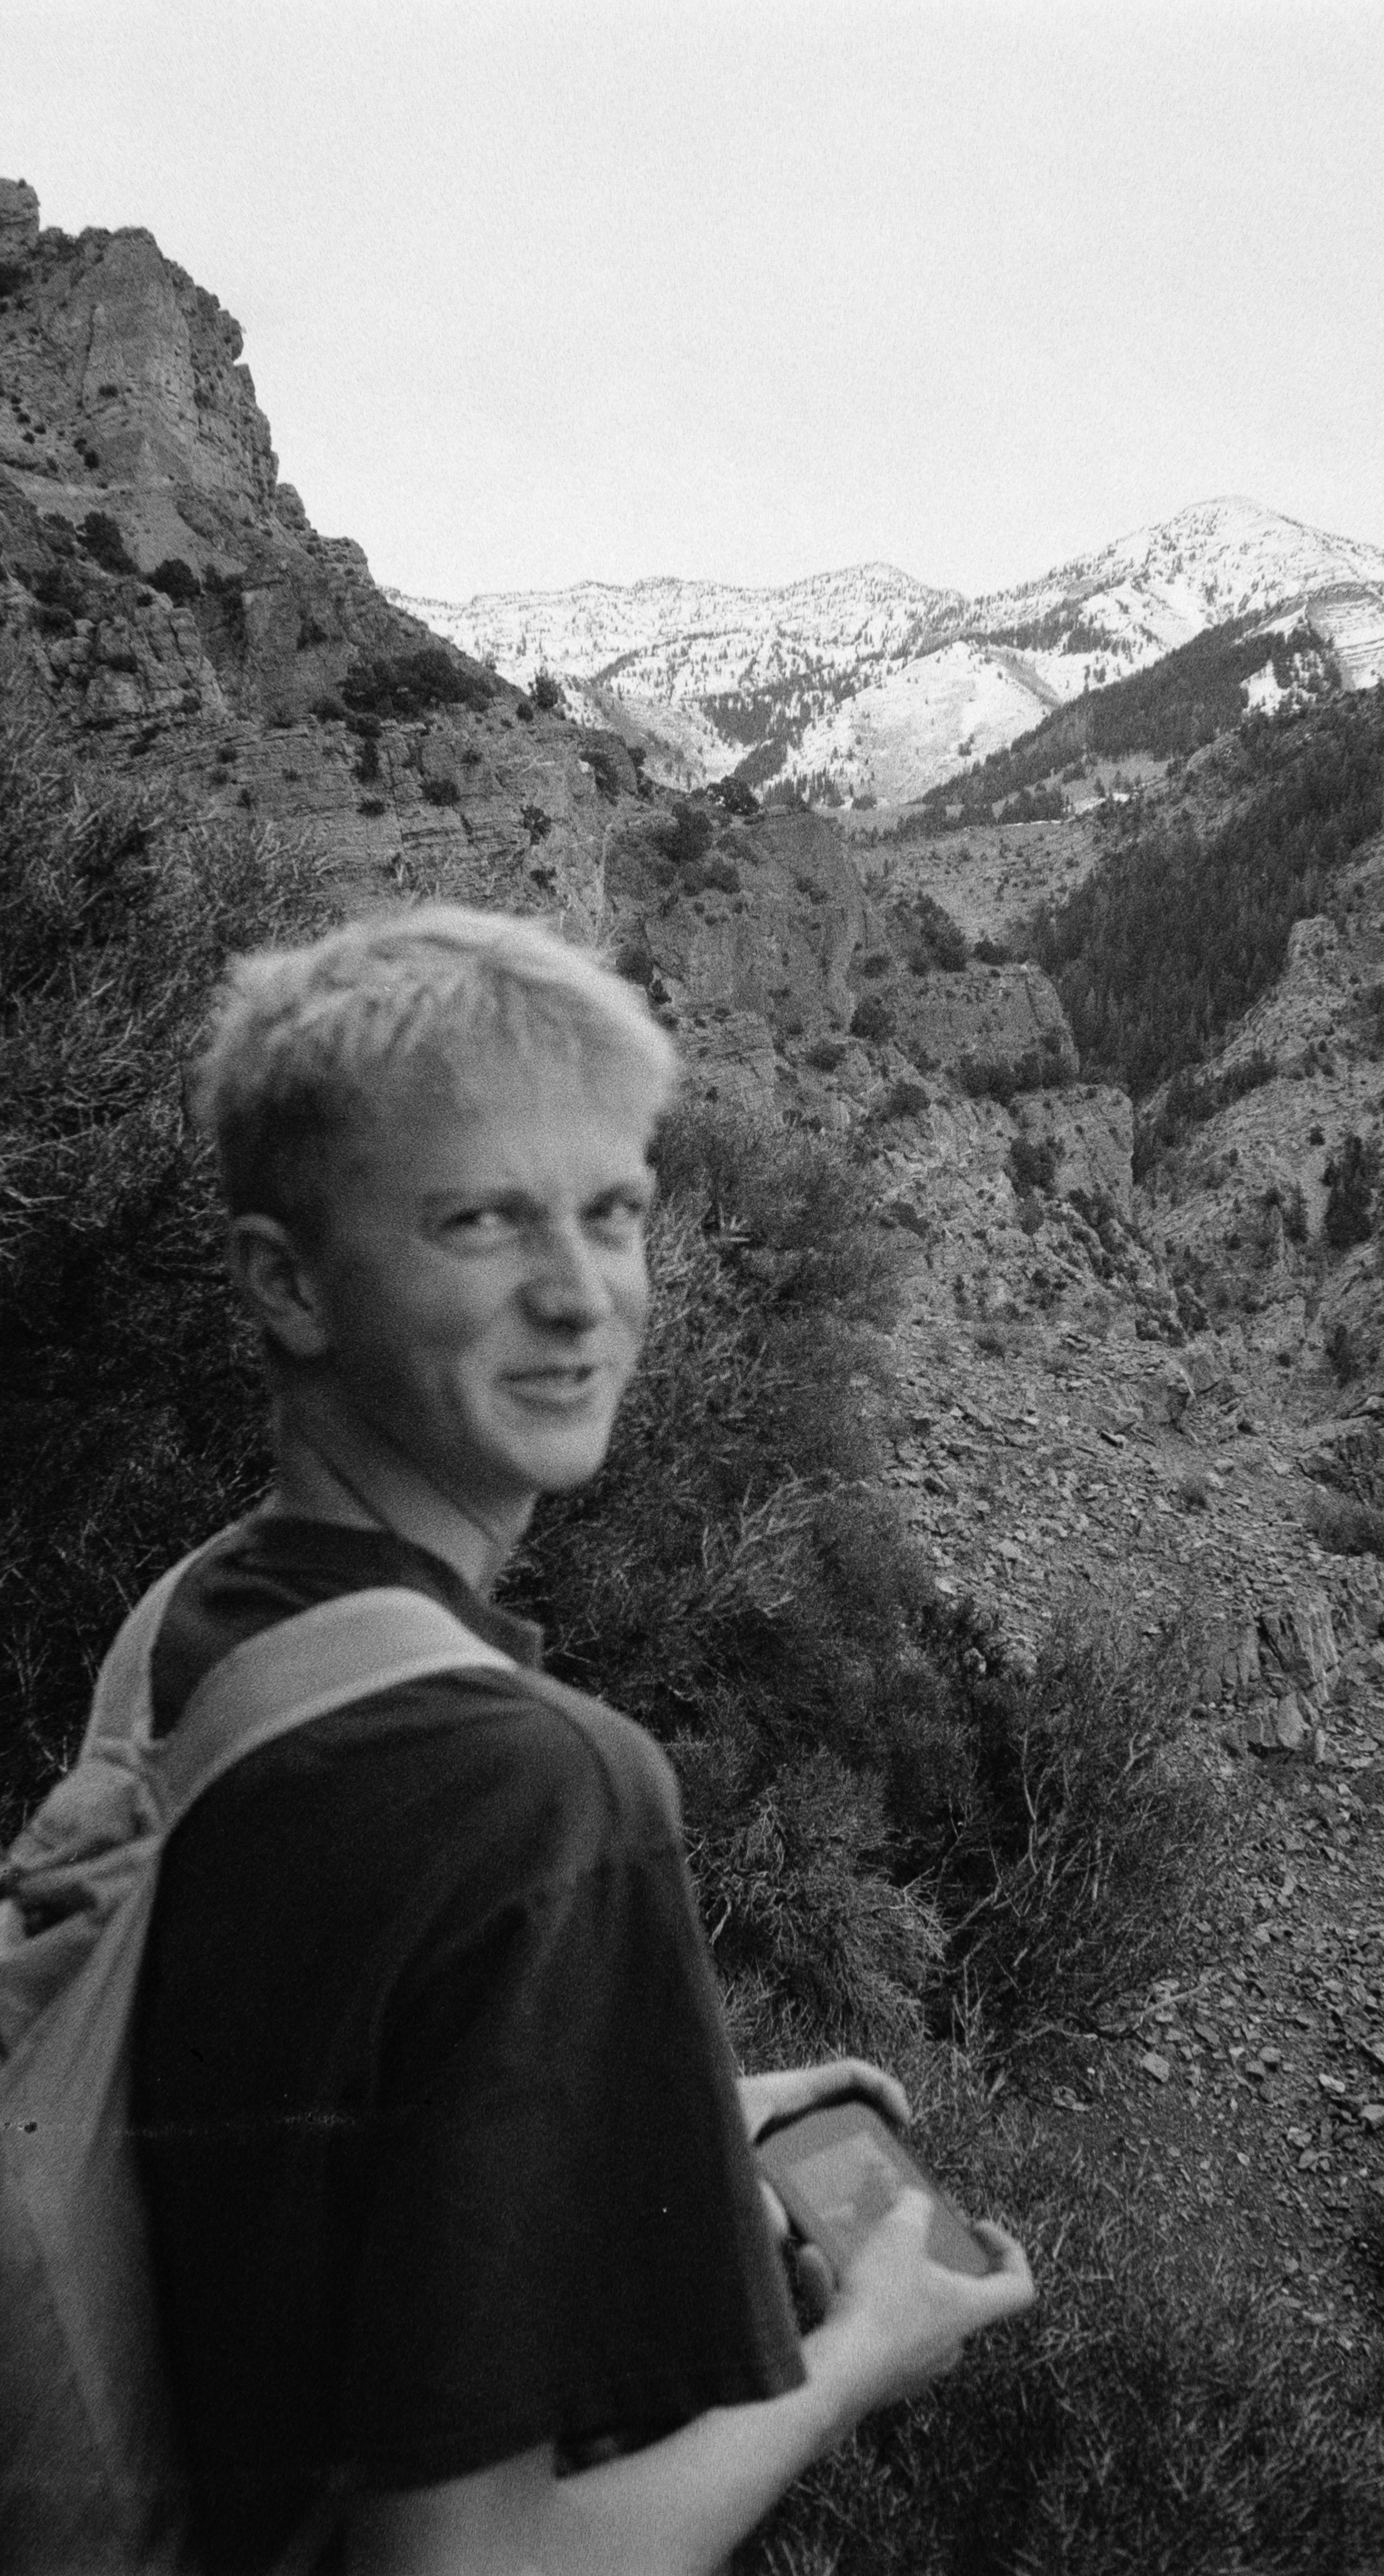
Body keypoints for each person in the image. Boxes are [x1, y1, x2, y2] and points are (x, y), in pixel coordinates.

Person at [130, 903, 1033, 2576]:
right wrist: (856, 2361)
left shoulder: (208, 1621)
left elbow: (277, 2111)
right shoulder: (536, 1789)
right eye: (481, 1222)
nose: (580, 1297)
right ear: (284, 1280)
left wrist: (677, 2108)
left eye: (612, 1213)